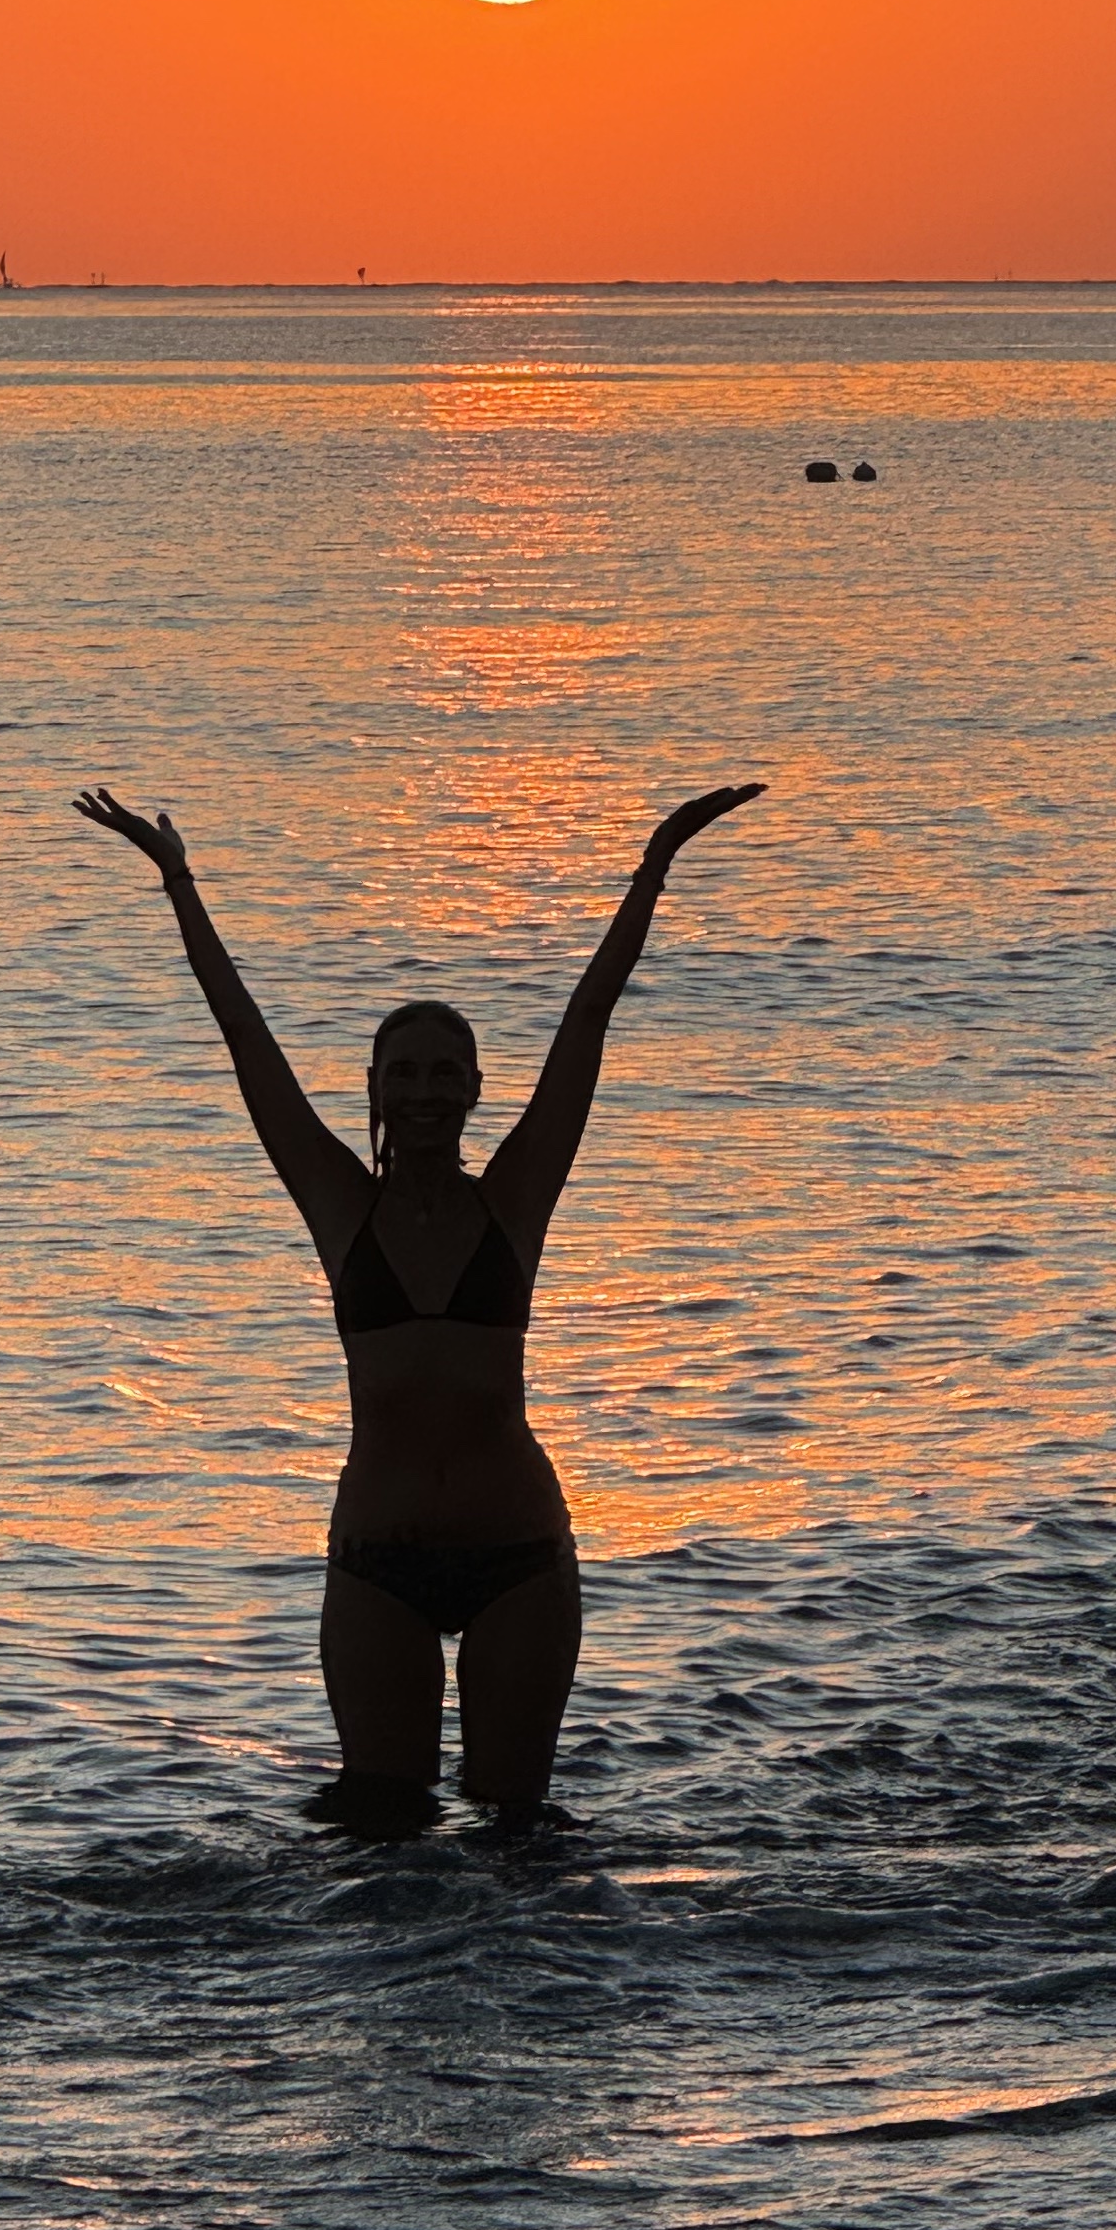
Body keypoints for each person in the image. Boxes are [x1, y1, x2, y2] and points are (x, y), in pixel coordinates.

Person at [72, 782, 765, 1830]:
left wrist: (656, 861)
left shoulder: (515, 1202)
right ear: (379, 1091)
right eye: (407, 1074)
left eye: (449, 1073)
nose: (429, 1090)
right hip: (375, 1566)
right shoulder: (340, 1205)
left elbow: (589, 1015)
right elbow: (244, 1036)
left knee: (515, 1834)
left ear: (478, 1089)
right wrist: (178, 884)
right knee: (378, 1829)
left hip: (519, 1559)